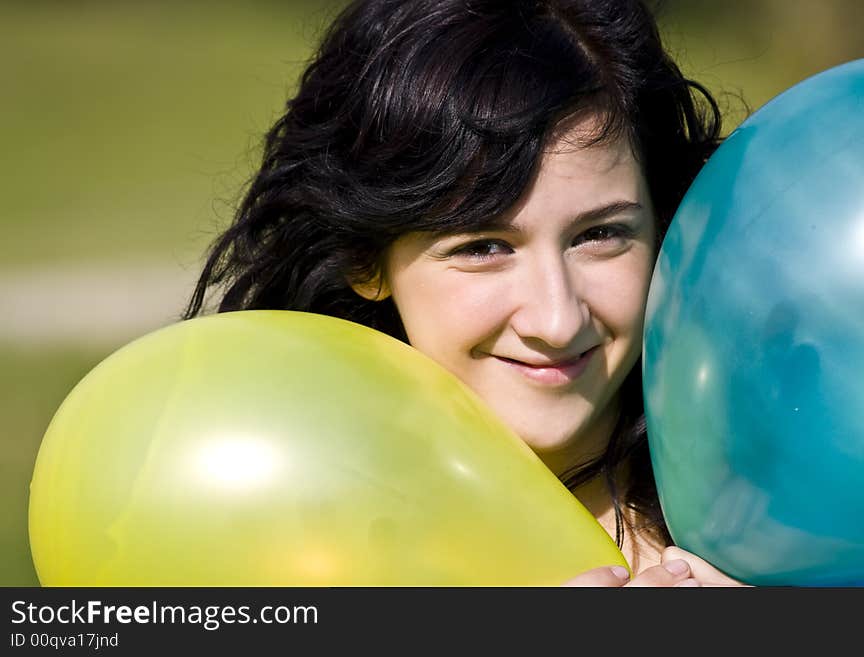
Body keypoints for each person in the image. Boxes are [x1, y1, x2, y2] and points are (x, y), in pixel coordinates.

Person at [184, 0, 745, 587]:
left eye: (599, 234)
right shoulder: (281, 544)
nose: (556, 320)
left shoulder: (782, 493)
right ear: (364, 257)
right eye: (483, 247)